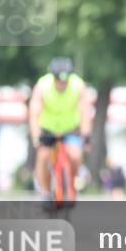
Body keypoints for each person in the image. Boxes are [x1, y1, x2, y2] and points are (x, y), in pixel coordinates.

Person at [28, 58, 93, 198]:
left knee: (75, 155)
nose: (62, 83)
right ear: (53, 77)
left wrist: (86, 135)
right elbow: (34, 113)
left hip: (71, 128)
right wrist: (36, 136)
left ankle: (72, 183)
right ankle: (46, 192)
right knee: (43, 157)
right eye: (58, 79)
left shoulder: (78, 85)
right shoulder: (42, 86)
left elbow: (85, 112)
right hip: (48, 129)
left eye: (65, 80)